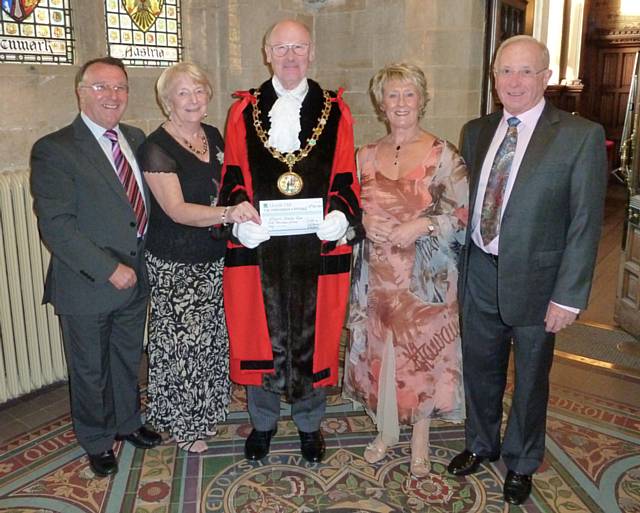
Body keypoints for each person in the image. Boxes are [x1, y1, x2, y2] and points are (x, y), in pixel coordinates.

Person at [446, 35, 607, 505]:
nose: (513, 82)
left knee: (532, 377)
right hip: (479, 271)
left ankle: (521, 460)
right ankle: (481, 443)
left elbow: (584, 223)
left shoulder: (579, 135)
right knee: (480, 369)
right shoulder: (476, 131)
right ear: (494, 77)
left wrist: (569, 296)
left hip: (539, 283)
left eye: (525, 72)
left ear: (546, 77)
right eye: (504, 72)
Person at [217, 19, 362, 464]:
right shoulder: (244, 110)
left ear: (312, 52)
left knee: (314, 335)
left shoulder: (336, 111)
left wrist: (340, 213)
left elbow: (346, 173)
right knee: (258, 333)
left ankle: (308, 425)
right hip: (262, 247)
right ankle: (262, 424)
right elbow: (234, 174)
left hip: (316, 248)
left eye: (299, 47)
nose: (291, 56)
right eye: (282, 47)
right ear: (267, 52)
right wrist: (240, 217)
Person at [30, 57, 162, 478]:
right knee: (89, 369)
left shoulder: (136, 137)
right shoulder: (55, 148)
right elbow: (57, 226)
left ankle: (128, 422)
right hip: (87, 282)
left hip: (135, 279)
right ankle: (97, 440)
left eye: (120, 87)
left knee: (126, 358)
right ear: (81, 91)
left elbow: (140, 205)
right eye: (101, 87)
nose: (113, 96)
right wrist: (108, 269)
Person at [343, 63, 468, 478]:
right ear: (380, 103)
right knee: (382, 353)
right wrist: (361, 219)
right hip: (376, 276)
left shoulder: (444, 154)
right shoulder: (362, 155)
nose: (400, 103)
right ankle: (386, 429)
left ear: (422, 100)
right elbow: (343, 211)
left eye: (409, 94)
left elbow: (466, 214)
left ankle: (420, 437)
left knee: (423, 355)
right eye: (392, 95)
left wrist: (424, 223)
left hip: (425, 278)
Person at [137, 63, 259, 453]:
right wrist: (229, 214)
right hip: (176, 259)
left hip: (214, 255)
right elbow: (176, 209)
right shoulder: (156, 146)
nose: (193, 99)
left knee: (211, 339)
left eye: (199, 91)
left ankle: (207, 410)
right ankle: (183, 423)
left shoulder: (212, 135)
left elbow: (228, 185)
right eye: (183, 93)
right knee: (181, 342)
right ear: (167, 101)